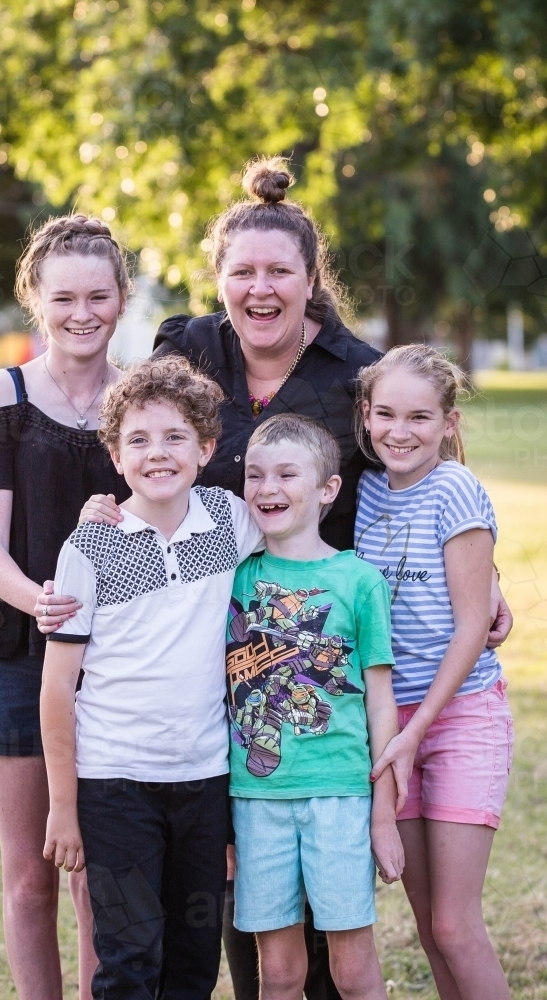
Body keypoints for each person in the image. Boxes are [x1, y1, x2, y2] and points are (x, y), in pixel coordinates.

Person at [62, 158, 513, 1000]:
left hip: (327, 657)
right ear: (219, 279)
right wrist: (96, 507)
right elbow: (139, 443)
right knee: (250, 908)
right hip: (217, 654)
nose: (259, 290)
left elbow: (420, 462)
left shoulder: (355, 370)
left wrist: (485, 579)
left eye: (279, 273)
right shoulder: (187, 346)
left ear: (313, 281)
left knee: (330, 930)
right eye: (242, 273)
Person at [39, 355, 264, 1000]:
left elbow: (296, 520)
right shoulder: (89, 547)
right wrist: (63, 806)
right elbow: (57, 689)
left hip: (204, 780)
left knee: (194, 963)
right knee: (130, 961)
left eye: (174, 437)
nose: (156, 454)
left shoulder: (228, 520)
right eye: (137, 439)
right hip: (114, 787)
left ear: (207, 447)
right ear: (114, 454)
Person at [0, 214, 133, 1000]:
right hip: (8, 651)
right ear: (35, 298)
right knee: (30, 874)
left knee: (96, 870)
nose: (82, 313)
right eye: (64, 297)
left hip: (115, 666)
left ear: (122, 298)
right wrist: (46, 604)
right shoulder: (6, 391)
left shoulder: (142, 398)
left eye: (98, 295)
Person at [354, 345, 513, 1000]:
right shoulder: (359, 492)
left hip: (456, 719)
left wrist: (413, 732)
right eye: (385, 413)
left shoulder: (454, 489)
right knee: (426, 922)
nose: (399, 431)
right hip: (392, 722)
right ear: (364, 416)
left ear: (448, 422)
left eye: (419, 417)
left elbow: (472, 627)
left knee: (454, 922)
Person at [226, 412, 403, 1000]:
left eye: (286, 474)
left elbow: (382, 704)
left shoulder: (359, 581)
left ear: (329, 489)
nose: (267, 488)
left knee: (352, 971)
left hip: (341, 795)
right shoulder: (232, 577)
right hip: (255, 800)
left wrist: (383, 814)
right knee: (277, 973)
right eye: (254, 475)